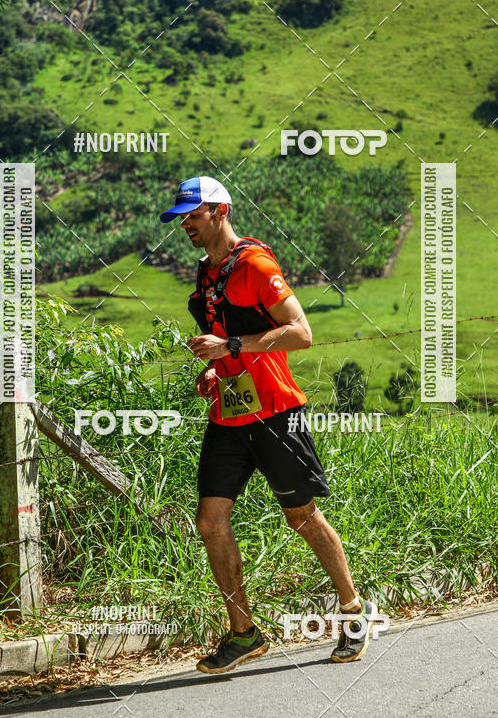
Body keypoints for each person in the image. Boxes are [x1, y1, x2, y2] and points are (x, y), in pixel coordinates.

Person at [160, 175, 377, 674]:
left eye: (194, 215)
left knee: (301, 516)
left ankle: (354, 610)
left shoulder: (256, 265)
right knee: (210, 522)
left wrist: (231, 347)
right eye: (181, 218)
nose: (186, 224)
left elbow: (301, 333)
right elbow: (224, 336)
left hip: (276, 412)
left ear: (221, 211)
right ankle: (244, 633)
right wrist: (216, 365)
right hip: (229, 413)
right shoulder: (207, 272)